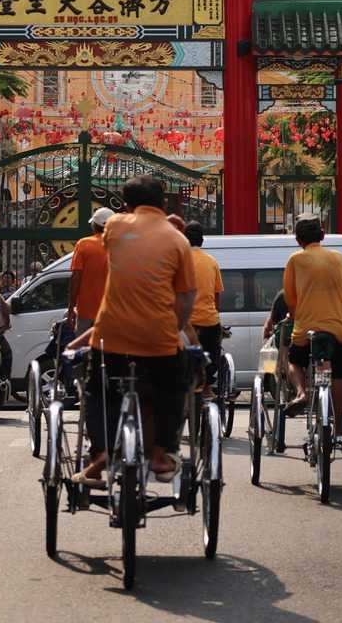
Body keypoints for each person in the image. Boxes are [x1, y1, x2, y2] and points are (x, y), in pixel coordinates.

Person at [74, 174, 196, 487]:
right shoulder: (178, 240)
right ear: (164, 202)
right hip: (158, 338)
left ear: (127, 205)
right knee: (173, 388)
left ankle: (101, 450)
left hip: (111, 335)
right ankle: (161, 453)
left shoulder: (114, 227)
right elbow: (186, 297)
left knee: (97, 389)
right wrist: (174, 329)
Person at [283, 215, 342, 437]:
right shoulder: (338, 258)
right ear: (322, 235)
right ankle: (339, 426)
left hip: (306, 331)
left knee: (294, 361)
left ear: (298, 240)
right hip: (338, 331)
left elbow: (290, 299)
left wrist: (294, 318)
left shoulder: (295, 260)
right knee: (338, 376)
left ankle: (301, 393)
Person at [185, 220, 224, 378]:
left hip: (186, 324)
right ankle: (207, 381)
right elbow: (216, 296)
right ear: (201, 240)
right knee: (211, 363)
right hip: (209, 322)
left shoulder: (181, 260)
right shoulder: (212, 262)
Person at [67, 208, 112, 335]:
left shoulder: (84, 244)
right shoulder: (120, 245)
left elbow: (76, 278)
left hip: (86, 311)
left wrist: (71, 308)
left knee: (83, 345)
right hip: (112, 311)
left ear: (94, 226)